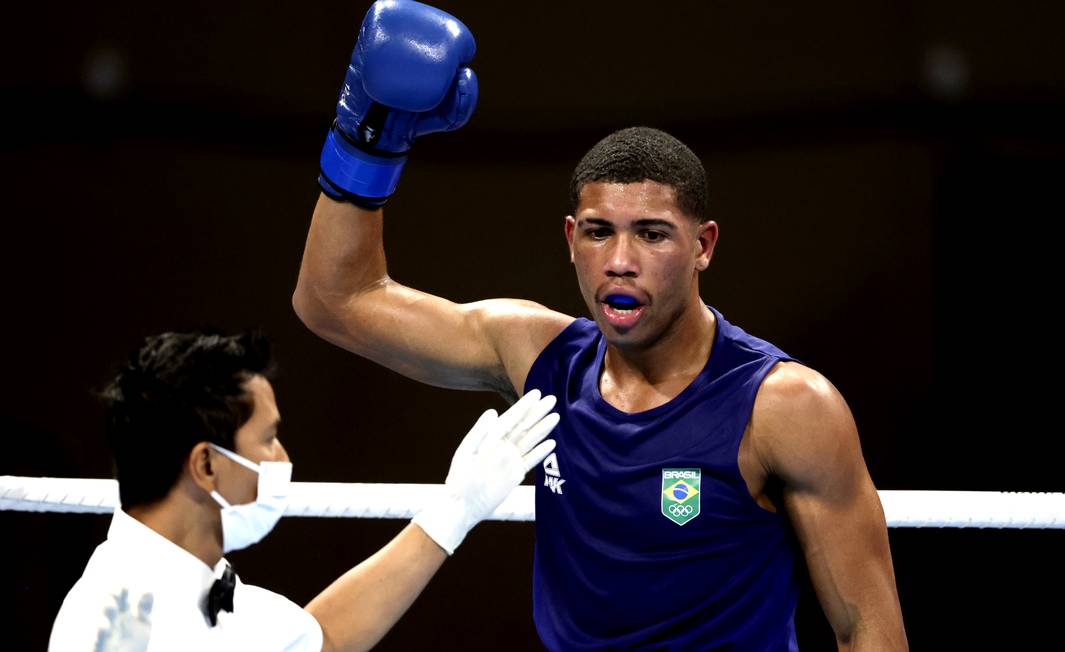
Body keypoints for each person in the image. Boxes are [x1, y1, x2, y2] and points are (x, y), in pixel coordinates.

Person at [294, 1, 908, 649]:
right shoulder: (537, 354)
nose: (619, 262)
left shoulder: (784, 406)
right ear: (570, 239)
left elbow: (866, 627)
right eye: (598, 233)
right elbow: (337, 300)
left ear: (703, 245)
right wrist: (368, 141)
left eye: (651, 235)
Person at [48, 330, 559, 651]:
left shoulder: (203, 587)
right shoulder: (115, 621)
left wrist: (456, 509)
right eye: (268, 439)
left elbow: (322, 639)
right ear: (206, 464)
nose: (283, 459)